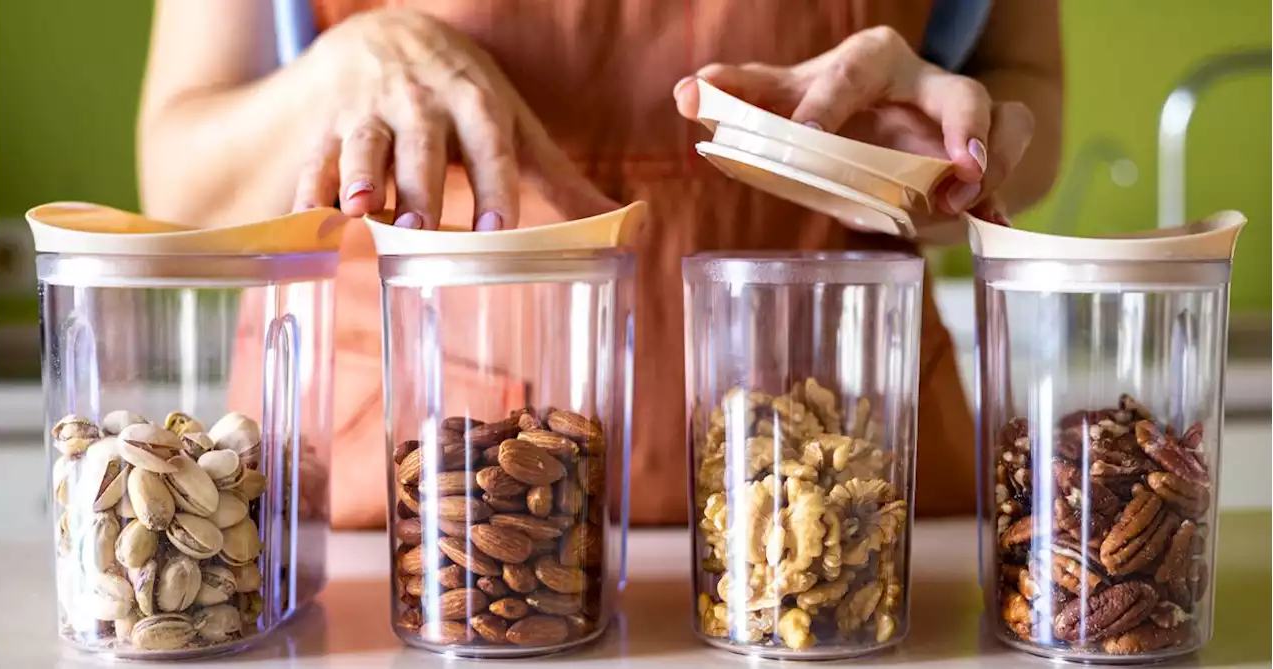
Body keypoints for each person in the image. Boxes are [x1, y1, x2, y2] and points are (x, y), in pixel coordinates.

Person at [138, 0, 1062, 529]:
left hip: (849, 523)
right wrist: (338, 77)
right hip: (400, 529)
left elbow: (1031, 93)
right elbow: (176, 177)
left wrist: (935, 160)